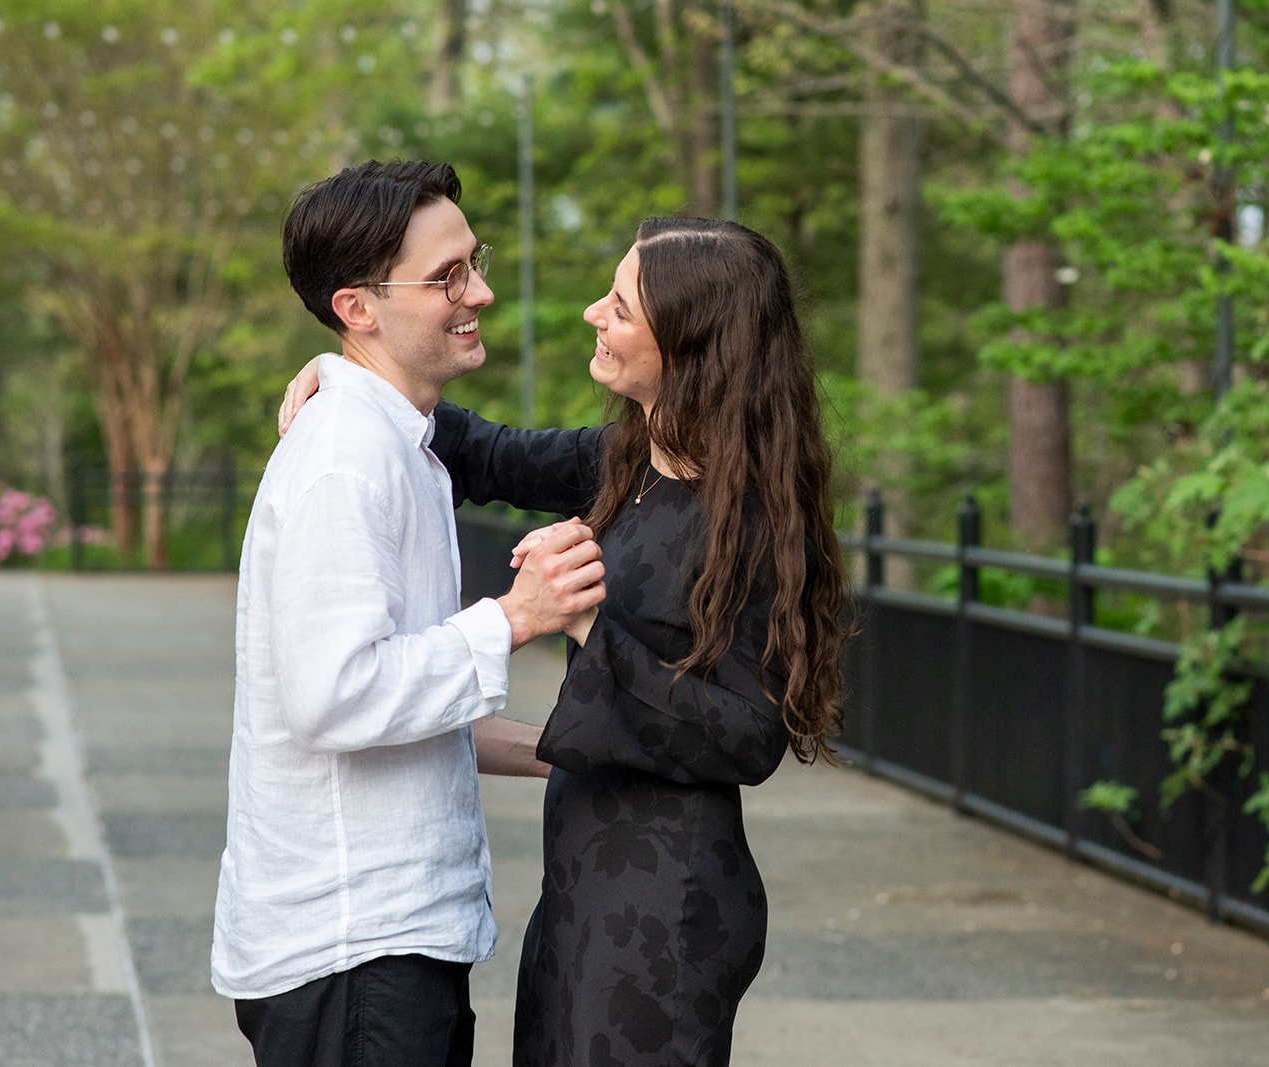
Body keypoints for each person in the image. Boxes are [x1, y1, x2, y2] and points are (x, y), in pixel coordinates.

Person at [281, 216, 850, 1066]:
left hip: (666, 908)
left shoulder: (754, 520)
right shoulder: (629, 458)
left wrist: (584, 620)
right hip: (585, 882)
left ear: (692, 345)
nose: (594, 313)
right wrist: (350, 367)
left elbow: (748, 736)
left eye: (619, 307)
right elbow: (482, 452)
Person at [213, 159, 606, 1067]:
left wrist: (590, 747)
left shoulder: (400, 439)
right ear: (359, 308)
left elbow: (414, 713)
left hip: (387, 942)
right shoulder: (348, 458)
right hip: (352, 951)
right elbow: (338, 698)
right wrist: (518, 615)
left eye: (475, 261)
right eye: (448, 277)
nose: (482, 291)